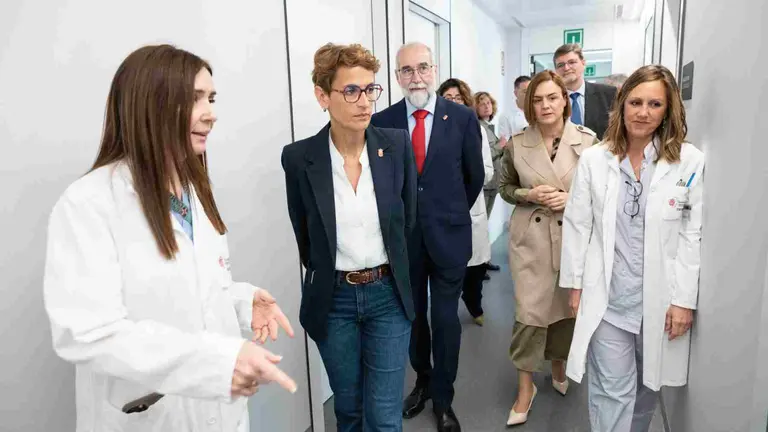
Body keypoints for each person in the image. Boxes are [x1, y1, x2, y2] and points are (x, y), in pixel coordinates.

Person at [43, 44, 296, 432]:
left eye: (211, 98)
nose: (211, 113)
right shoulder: (88, 204)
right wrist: (214, 362)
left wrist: (243, 301)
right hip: (151, 417)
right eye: (194, 99)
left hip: (218, 414)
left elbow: (201, 289)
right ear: (150, 104)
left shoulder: (193, 192)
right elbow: (87, 335)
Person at [560, 65, 704, 432]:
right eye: (636, 102)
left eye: (654, 104)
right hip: (608, 299)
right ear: (621, 105)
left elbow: (691, 233)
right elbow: (578, 225)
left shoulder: (688, 161)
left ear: (668, 110)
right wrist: (576, 285)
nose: (643, 112)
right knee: (612, 391)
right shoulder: (595, 159)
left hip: (660, 299)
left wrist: (684, 300)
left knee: (647, 388)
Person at [281, 43, 416, 432]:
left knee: (384, 416)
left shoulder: (395, 146)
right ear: (323, 96)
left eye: (370, 89)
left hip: (388, 294)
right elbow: (306, 238)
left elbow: (406, 223)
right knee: (349, 411)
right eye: (351, 91)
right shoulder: (299, 159)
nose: (364, 102)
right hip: (334, 299)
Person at [372, 42, 484, 432]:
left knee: (444, 319)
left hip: (449, 236)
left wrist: (447, 211)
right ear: (397, 77)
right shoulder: (382, 120)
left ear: (434, 69)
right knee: (414, 315)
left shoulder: (463, 117)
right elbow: (382, 182)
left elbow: (474, 177)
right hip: (404, 241)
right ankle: (422, 380)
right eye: (406, 71)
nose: (415, 77)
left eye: (422, 68)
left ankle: (444, 397)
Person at [498, 70, 598, 426]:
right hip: (532, 242)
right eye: (537, 100)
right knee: (529, 315)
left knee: (565, 310)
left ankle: (558, 364)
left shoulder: (588, 142)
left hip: (571, 239)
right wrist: (528, 194)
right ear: (529, 105)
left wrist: (569, 199)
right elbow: (505, 186)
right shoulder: (516, 143)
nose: (545, 105)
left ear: (565, 100)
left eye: (552, 97)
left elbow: (599, 193)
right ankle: (526, 389)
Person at [437, 79, 495, 327]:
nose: (452, 102)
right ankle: (447, 311)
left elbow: (488, 171)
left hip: (470, 206)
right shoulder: (432, 129)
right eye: (447, 98)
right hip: (440, 209)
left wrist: (463, 180)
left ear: (466, 100)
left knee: (476, 266)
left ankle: (475, 304)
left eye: (457, 98)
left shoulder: (476, 128)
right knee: (447, 265)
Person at [553, 44, 617, 139]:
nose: (566, 68)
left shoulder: (608, 94)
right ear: (556, 71)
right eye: (561, 65)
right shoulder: (551, 99)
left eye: (572, 62)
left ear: (583, 63)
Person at [497, 75, 531, 148]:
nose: (529, 94)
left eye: (530, 91)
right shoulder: (506, 116)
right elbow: (504, 144)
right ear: (516, 93)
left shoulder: (537, 111)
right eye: (525, 91)